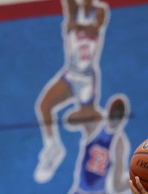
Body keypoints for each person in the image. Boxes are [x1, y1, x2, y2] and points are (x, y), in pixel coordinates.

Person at [34, 0, 110, 183]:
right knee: (44, 105)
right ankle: (52, 147)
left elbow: (96, 27)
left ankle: (93, 167)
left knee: (88, 127)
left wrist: (76, 26)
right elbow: (70, 9)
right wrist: (73, 24)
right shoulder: (74, 12)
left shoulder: (99, 11)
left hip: (87, 79)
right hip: (71, 74)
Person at [65, 94, 131, 194]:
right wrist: (86, 112)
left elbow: (117, 187)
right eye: (115, 113)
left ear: (123, 118)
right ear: (109, 111)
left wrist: (137, 183)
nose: (116, 118)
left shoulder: (119, 142)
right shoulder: (96, 124)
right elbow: (70, 121)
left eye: (119, 115)